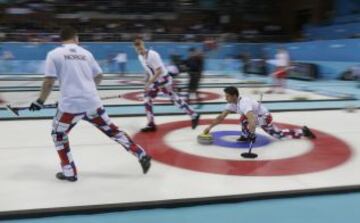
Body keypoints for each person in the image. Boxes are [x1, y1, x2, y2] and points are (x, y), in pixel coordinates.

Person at [29, 27, 151, 182]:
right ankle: (141, 154)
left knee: (58, 135)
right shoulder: (87, 54)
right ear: (76, 38)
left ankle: (69, 172)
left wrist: (40, 101)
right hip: (93, 104)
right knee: (113, 131)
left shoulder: (54, 54)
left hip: (70, 108)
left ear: (62, 39)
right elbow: (99, 76)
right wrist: (87, 90)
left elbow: (49, 81)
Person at [203, 86, 316, 143]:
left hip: (265, 117)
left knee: (278, 135)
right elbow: (220, 117)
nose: (226, 98)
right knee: (243, 119)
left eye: (227, 96)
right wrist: (209, 127)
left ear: (234, 96)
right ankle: (246, 136)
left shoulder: (244, 103)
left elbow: (251, 120)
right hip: (255, 117)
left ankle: (303, 132)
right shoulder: (231, 104)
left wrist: (252, 132)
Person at [133, 38, 200, 132]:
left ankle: (194, 115)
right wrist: (146, 81)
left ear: (143, 45)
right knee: (147, 98)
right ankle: (151, 124)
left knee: (175, 99)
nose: (139, 50)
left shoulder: (153, 54)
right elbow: (148, 71)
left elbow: (159, 71)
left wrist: (149, 83)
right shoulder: (140, 57)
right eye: (137, 49)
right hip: (156, 81)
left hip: (164, 79)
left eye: (140, 48)